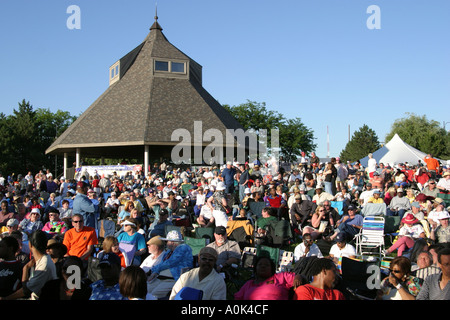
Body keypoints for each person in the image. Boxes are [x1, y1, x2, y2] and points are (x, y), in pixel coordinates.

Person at [1, 230, 57, 300]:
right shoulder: (42, 261)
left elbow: (26, 291)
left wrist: (25, 268)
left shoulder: (44, 265)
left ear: (30, 244)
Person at [146, 230, 193, 299]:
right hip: (160, 277)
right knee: (145, 291)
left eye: (167, 241)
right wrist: (155, 272)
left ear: (172, 242)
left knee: (154, 295)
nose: (166, 243)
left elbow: (170, 262)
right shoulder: (168, 252)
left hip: (173, 279)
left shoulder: (183, 247)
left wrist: (153, 270)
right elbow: (162, 263)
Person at [234, 255, 303, 300]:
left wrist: (298, 277)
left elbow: (301, 277)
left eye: (266, 265)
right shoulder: (249, 284)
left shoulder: (280, 277)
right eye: (260, 265)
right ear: (255, 268)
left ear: (272, 268)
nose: (263, 266)